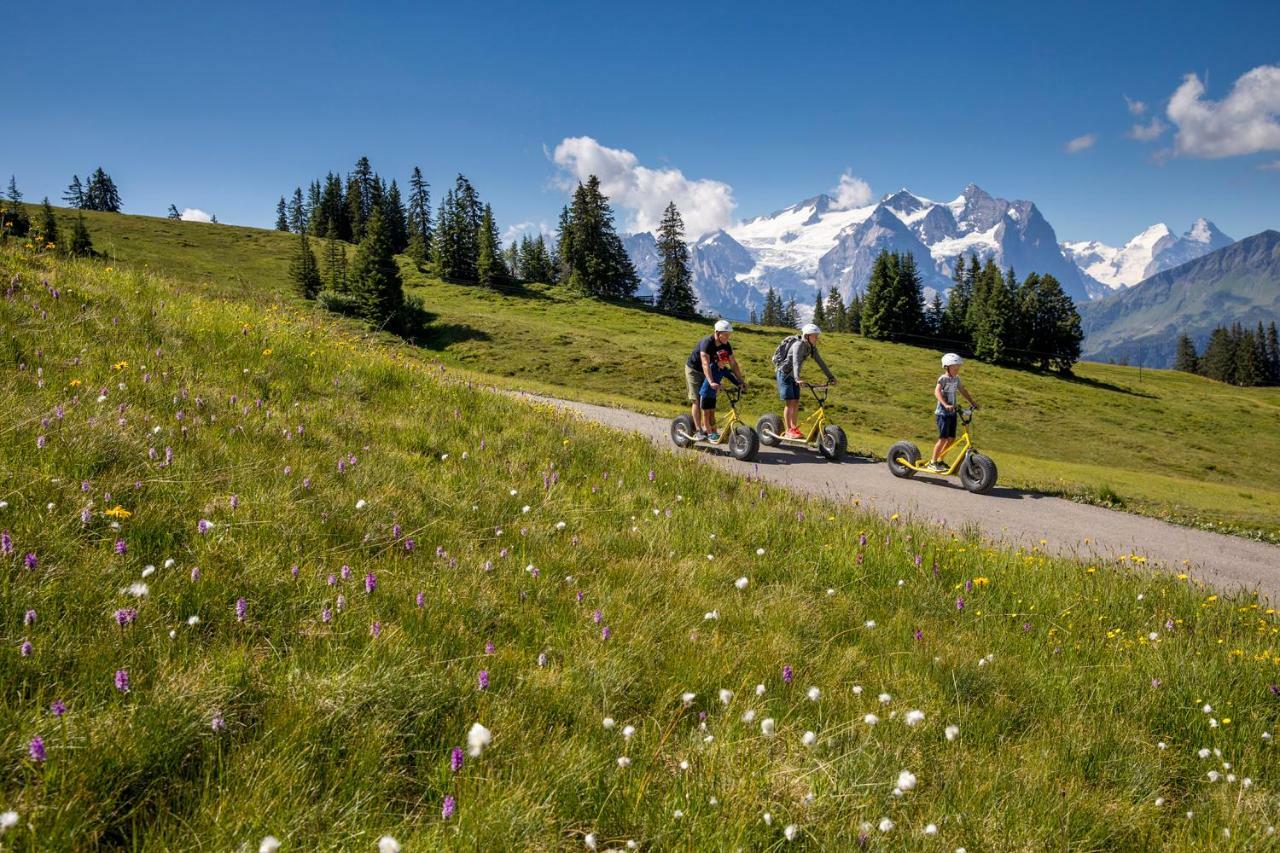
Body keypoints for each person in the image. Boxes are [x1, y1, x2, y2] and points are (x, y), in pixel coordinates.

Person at [685, 320, 746, 441]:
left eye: (729, 335)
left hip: (710, 371)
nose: (728, 337)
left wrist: (740, 381)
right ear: (717, 333)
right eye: (726, 334)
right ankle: (698, 430)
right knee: (697, 399)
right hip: (694, 370)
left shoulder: (726, 345)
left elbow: (733, 364)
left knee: (711, 408)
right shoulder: (707, 343)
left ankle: (712, 432)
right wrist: (711, 381)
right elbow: (705, 364)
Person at [775, 323, 835, 439]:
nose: (817, 338)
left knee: (796, 401)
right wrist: (797, 378)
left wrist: (830, 376)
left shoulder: (811, 347)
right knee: (790, 402)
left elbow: (820, 362)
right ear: (807, 336)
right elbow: (795, 362)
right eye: (815, 336)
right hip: (784, 374)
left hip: (794, 377)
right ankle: (788, 430)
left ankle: (793, 428)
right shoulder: (798, 345)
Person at [929, 353, 979, 472]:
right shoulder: (943, 379)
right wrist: (945, 404)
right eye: (954, 368)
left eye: (958, 368)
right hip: (942, 413)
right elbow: (937, 392)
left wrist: (973, 403)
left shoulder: (956, 379)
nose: (957, 370)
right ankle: (933, 462)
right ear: (947, 367)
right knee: (943, 439)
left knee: (951, 439)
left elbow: (962, 390)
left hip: (952, 413)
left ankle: (940, 460)